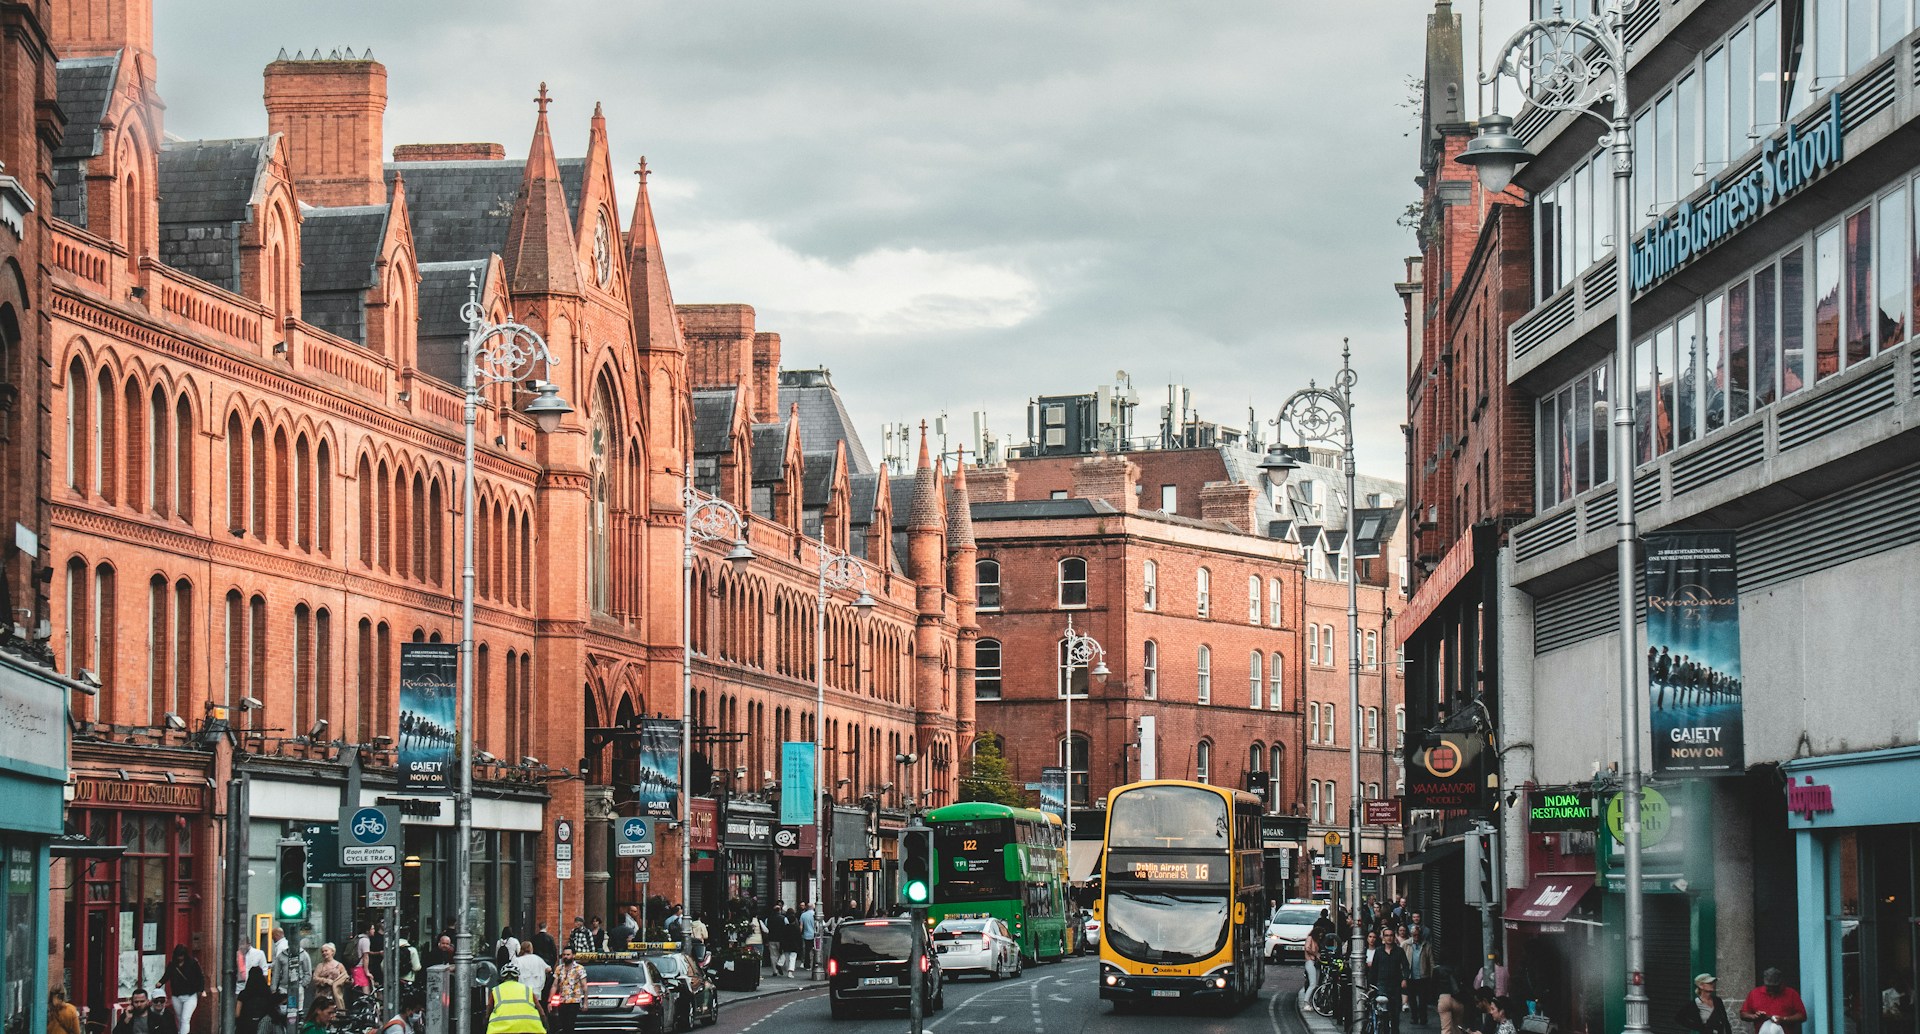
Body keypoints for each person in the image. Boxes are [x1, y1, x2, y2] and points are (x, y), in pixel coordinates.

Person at [1367, 927, 1410, 1034]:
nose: (1389, 938)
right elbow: (1374, 969)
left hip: (1395, 985)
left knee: (1395, 1014)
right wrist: (1370, 984)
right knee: (1383, 1013)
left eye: (1391, 935)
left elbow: (1405, 966)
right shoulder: (1379, 951)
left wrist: (1405, 979)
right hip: (1382, 985)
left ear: (1394, 937)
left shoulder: (1399, 951)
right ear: (1383, 938)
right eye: (1386, 935)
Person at [1740, 968, 1809, 1034]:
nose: (1771, 990)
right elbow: (1743, 1014)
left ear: (1781, 983)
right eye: (1769, 987)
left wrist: (1784, 1019)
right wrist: (1755, 1016)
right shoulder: (1754, 993)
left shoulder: (1791, 994)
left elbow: (1802, 1016)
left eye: (1775, 987)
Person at [486, 970, 547, 1034]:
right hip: (530, 1028)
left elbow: (489, 1009)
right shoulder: (527, 989)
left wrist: (486, 1022)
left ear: (502, 978)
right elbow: (540, 1011)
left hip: (500, 1030)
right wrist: (545, 1024)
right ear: (517, 977)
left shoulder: (496, 990)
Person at [162, 946, 206, 1033]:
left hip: (190, 995)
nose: (180, 958)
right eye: (178, 956)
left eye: (181, 955)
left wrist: (201, 989)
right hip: (176, 995)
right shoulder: (172, 965)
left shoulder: (193, 963)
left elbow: (200, 977)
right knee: (179, 1018)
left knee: (185, 1018)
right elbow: (167, 975)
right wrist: (160, 982)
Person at [272, 931, 313, 1016]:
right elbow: (276, 973)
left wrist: (302, 984)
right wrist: (274, 988)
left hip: (298, 987)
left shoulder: (304, 955)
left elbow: (308, 972)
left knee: (297, 1012)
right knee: (282, 1012)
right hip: (283, 988)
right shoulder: (281, 955)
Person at [550, 947, 589, 1034]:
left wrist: (585, 1001)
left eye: (568, 955)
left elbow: (584, 986)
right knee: (563, 1024)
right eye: (564, 955)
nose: (566, 957)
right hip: (562, 1000)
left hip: (574, 1000)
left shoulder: (579, 968)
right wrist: (550, 1001)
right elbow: (554, 985)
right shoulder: (559, 968)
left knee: (570, 1025)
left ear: (573, 955)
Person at [113, 990, 177, 1034]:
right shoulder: (126, 1016)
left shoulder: (156, 1018)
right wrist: (126, 1020)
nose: (139, 1004)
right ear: (132, 1002)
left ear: (147, 1001)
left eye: (142, 1001)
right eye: (136, 1002)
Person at [1406, 927, 1434, 1024]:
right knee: (1412, 1000)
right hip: (1410, 977)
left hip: (1423, 977)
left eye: (1418, 935)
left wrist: (1431, 976)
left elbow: (1431, 962)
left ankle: (1423, 1018)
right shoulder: (1406, 944)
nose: (1416, 937)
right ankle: (1414, 1017)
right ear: (1411, 935)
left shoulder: (1426, 945)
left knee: (1423, 1000)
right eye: (1414, 935)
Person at [1434, 968, 1474, 1034]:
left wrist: (1436, 1003)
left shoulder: (1437, 969)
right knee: (1458, 1028)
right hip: (1458, 998)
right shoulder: (1460, 968)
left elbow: (1433, 988)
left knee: (1446, 1029)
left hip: (1443, 997)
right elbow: (1466, 984)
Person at [777, 907, 804, 977]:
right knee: (792, 958)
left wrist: (781, 945)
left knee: (785, 955)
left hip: (786, 945)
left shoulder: (785, 927)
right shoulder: (796, 928)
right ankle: (790, 972)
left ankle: (779, 963)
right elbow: (799, 938)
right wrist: (800, 947)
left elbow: (782, 937)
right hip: (794, 945)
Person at [798, 903, 817, 969]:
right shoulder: (816, 914)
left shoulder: (803, 915)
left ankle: (807, 965)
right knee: (816, 951)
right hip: (815, 935)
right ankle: (815, 964)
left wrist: (800, 933)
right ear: (813, 907)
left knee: (807, 950)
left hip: (806, 935)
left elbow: (801, 926)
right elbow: (822, 924)